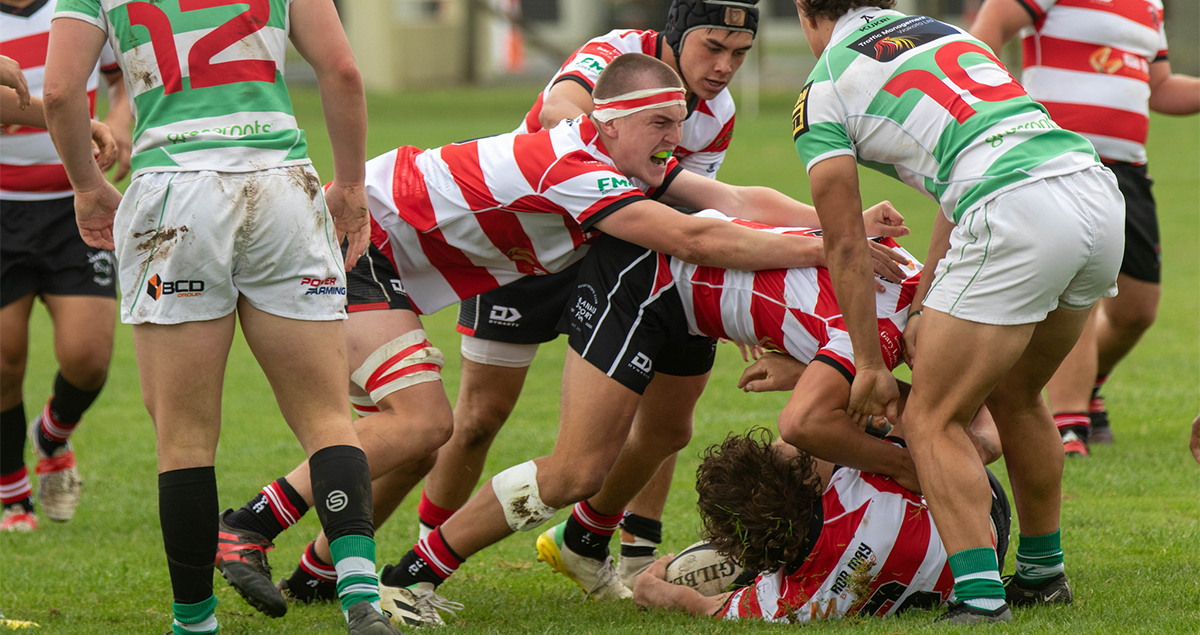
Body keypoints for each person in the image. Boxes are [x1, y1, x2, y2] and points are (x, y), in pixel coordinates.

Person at [215, 53, 905, 623]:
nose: (675, 139)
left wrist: (838, 223)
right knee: (423, 422)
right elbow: (694, 238)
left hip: (382, 254)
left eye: (679, 122)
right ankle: (248, 526)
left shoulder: (620, 156)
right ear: (609, 122)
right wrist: (830, 249)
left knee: (416, 435)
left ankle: (316, 575)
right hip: (356, 240)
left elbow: (734, 201)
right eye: (660, 123)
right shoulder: (573, 168)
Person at [43, 0, 403, 631]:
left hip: (174, 194)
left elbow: (57, 92)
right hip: (283, 185)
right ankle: (360, 597)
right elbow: (342, 70)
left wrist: (86, 184)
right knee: (327, 417)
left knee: (183, 437)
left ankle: (194, 622)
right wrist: (349, 185)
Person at [790, 0, 1124, 624]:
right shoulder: (944, 32)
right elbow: (962, 177)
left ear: (804, 9)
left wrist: (869, 362)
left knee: (931, 417)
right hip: (1094, 190)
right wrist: (924, 301)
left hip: (1015, 208)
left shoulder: (823, 87)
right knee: (1018, 394)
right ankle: (1042, 574)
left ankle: (980, 598)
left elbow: (845, 242)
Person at [421, 1, 761, 578]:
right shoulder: (618, 51)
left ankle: (631, 554)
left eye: (739, 54)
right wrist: (607, 171)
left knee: (659, 404)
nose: (725, 66)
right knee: (479, 418)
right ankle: (427, 546)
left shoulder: (718, 111)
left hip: (617, 249)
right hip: (528, 242)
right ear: (676, 34)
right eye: (713, 47)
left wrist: (729, 294)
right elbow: (561, 109)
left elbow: (693, 205)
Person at [971, 0, 1200, 455]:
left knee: (1137, 310)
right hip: (1062, 160)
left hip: (1129, 169)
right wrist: (1000, 112)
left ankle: (1086, 386)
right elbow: (986, 32)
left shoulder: (1151, 5)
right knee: (1084, 290)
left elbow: (1160, 88)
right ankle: (1068, 424)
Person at [632, 427, 1010, 623]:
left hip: (989, 547)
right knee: (811, 427)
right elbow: (920, 409)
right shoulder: (859, 487)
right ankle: (989, 433)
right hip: (977, 524)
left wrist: (650, 587)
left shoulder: (782, 603)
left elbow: (702, 607)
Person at [0, 1, 130, 533]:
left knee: (88, 358)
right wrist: (86, 122)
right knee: (3, 362)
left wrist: (116, 125)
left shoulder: (79, 5)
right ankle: (14, 497)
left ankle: (51, 434)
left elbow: (127, 78)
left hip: (73, 204)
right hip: (3, 206)